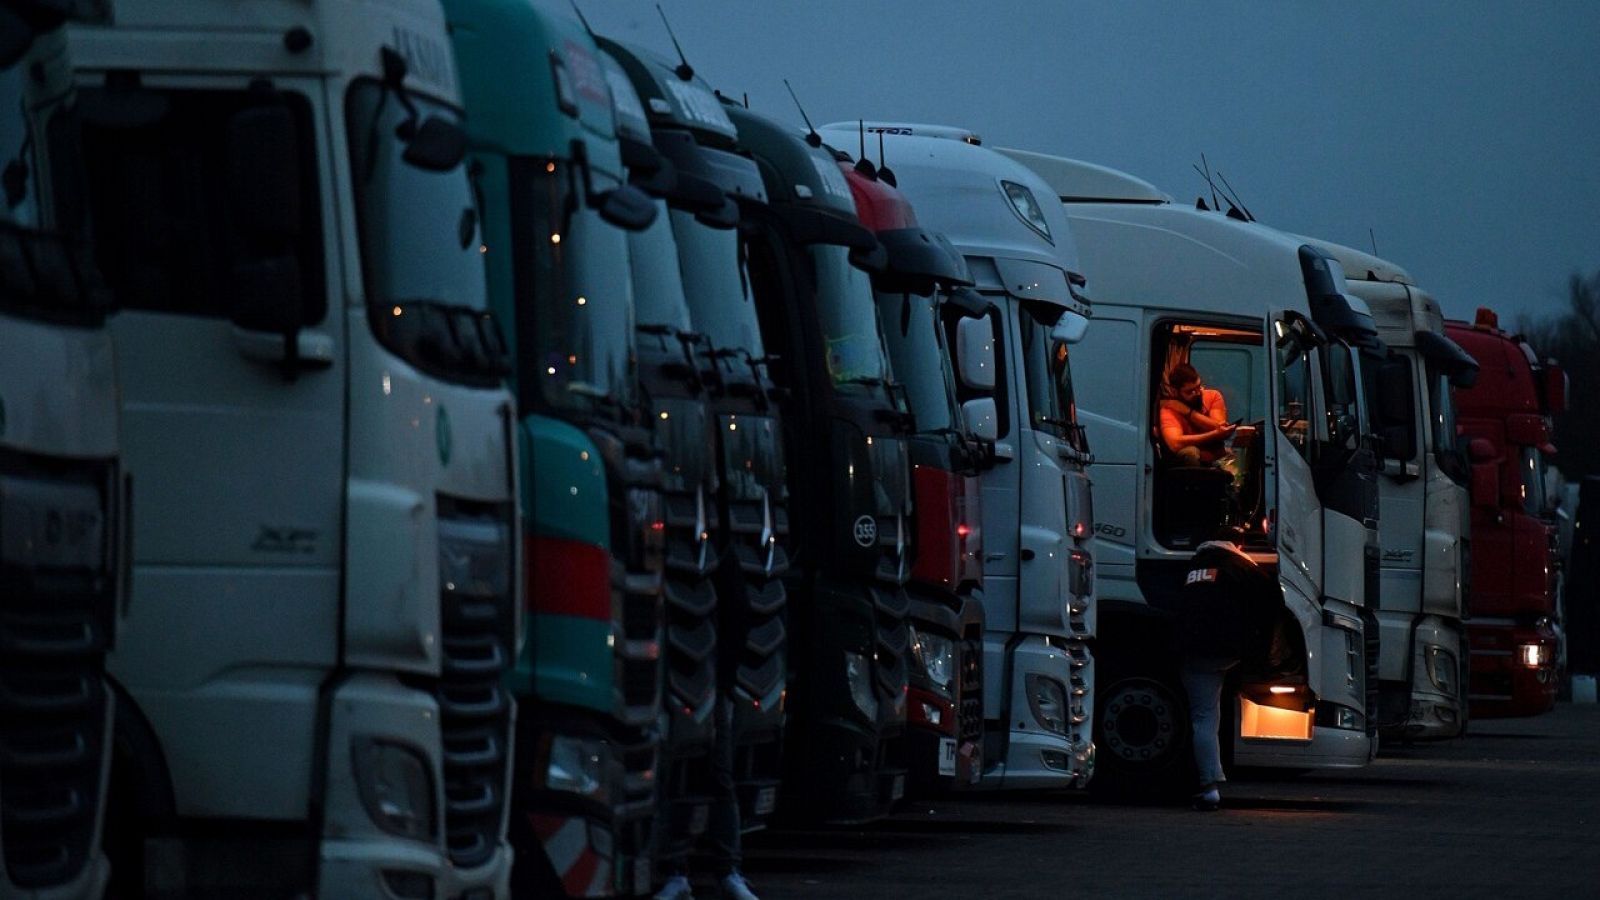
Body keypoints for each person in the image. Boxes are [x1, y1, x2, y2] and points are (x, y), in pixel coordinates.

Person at [1175, 528, 1277, 811]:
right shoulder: (1243, 567)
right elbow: (1270, 604)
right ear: (1237, 545)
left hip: (1193, 652)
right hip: (1230, 652)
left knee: (1203, 718)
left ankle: (1209, 788)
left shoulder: (1192, 566)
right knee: (1219, 710)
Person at [1159, 363, 1236, 465]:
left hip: (1217, 454)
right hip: (1192, 459)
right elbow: (1175, 443)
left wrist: (1189, 413)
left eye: (1198, 387)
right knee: (1190, 452)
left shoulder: (1213, 396)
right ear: (1175, 391)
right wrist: (1214, 434)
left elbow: (1219, 427)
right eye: (1190, 391)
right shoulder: (1170, 409)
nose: (1197, 393)